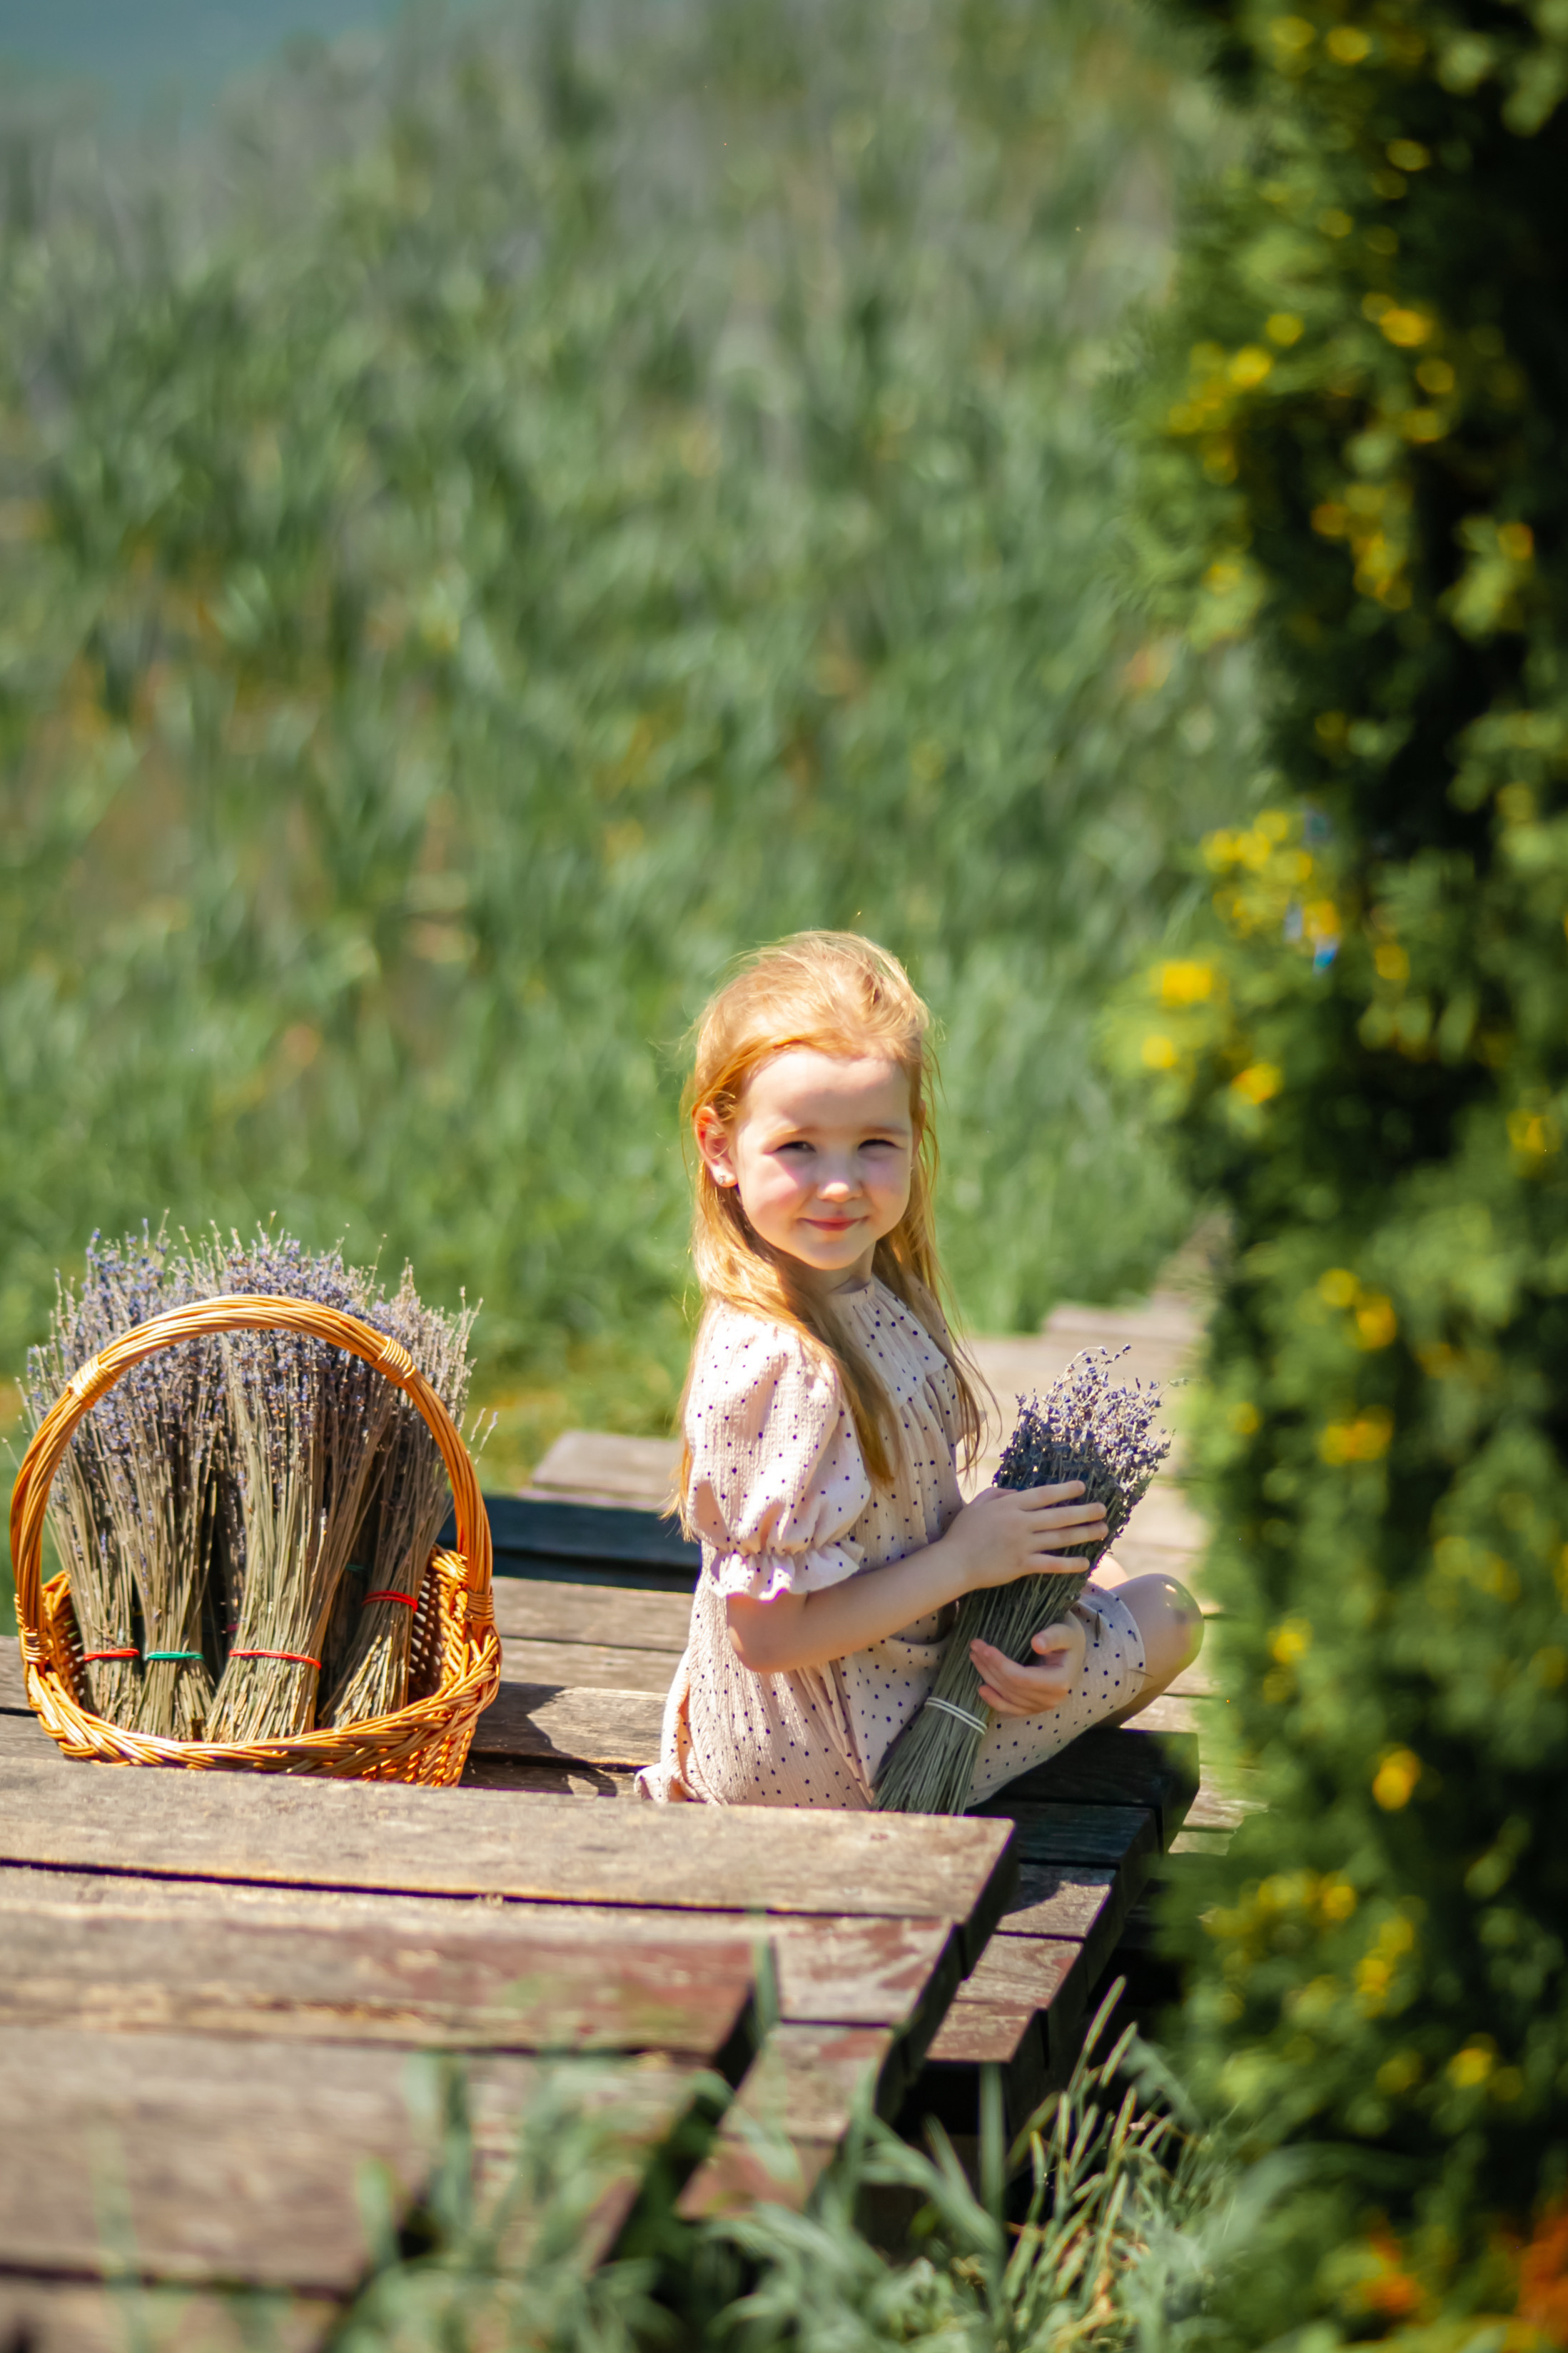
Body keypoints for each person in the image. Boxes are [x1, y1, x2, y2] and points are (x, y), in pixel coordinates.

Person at [636, 931, 1203, 1809]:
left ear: (913, 1136)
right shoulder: (782, 1364)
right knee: (1167, 1611)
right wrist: (963, 1563)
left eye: (873, 1143)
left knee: (1106, 1564)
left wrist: (1025, 1611)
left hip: (855, 1685)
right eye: (798, 1147)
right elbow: (767, 1637)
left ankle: (1053, 1658)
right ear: (720, 1147)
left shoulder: (862, 1291)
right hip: (846, 1758)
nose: (839, 1185)